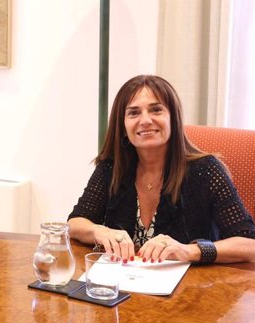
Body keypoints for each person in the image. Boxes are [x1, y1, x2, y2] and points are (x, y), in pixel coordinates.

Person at [68, 74, 255, 264]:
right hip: (124, 285)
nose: (145, 120)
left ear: (173, 118)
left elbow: (249, 245)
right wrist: (99, 231)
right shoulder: (113, 166)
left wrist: (191, 251)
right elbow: (75, 223)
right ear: (123, 125)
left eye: (156, 110)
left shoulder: (206, 170)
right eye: (134, 113)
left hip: (194, 288)